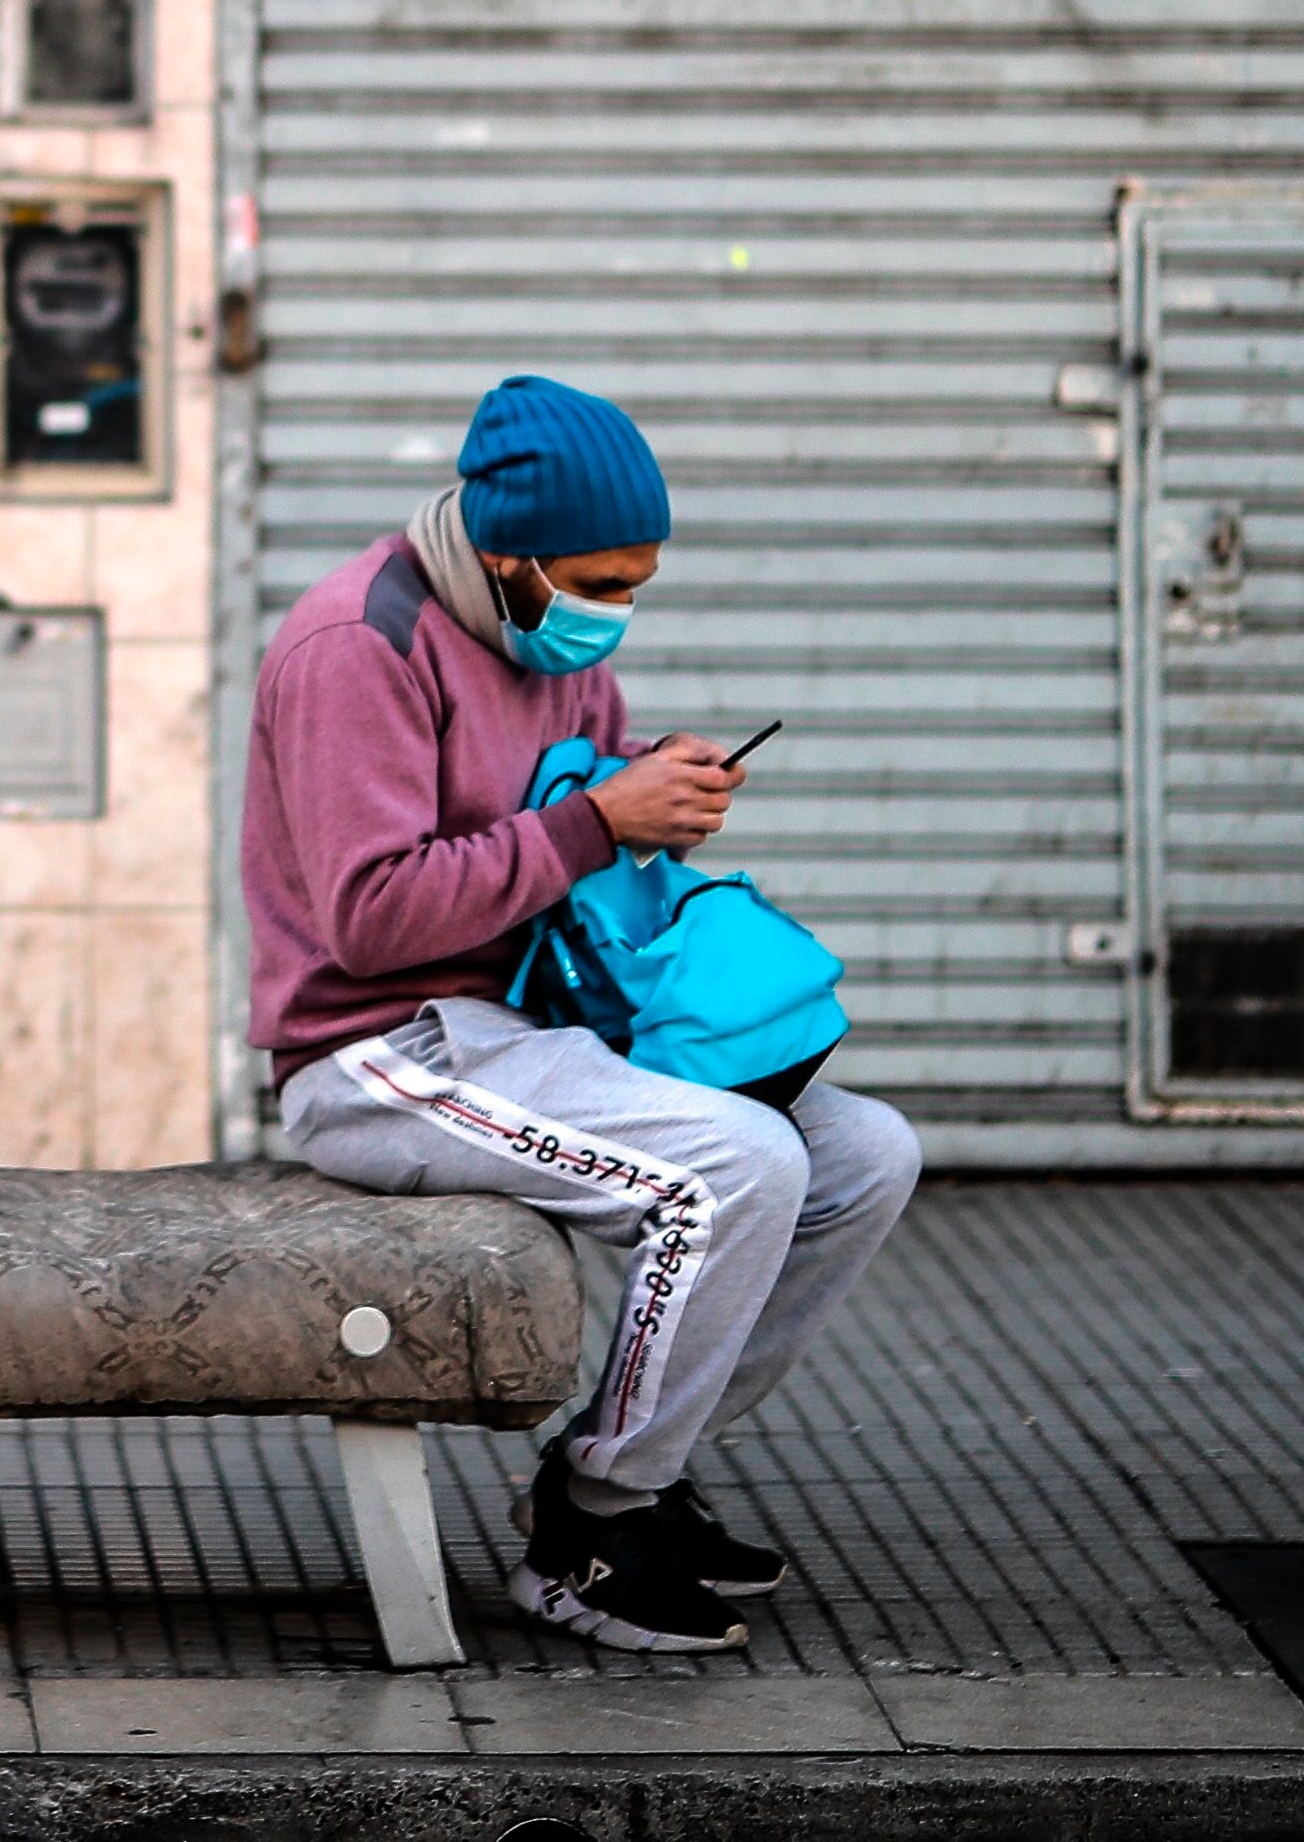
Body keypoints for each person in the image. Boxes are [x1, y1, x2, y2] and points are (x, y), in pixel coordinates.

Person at [243, 373, 919, 1653]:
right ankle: (590, 1538)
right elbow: (368, 916)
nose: (615, 612)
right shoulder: (358, 645)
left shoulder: (555, 641)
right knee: (739, 1164)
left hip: (536, 1027)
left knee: (865, 1155)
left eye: (635, 586)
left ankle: (624, 1467)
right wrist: (599, 820)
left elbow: (574, 821)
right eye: (600, 583)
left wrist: (649, 788)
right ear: (509, 555)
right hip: (380, 1048)